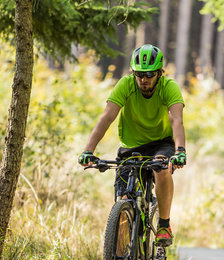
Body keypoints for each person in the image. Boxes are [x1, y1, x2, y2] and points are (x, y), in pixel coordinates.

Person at [78, 44, 187, 248]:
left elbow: (176, 121)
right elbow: (107, 117)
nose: (143, 80)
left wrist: (180, 151)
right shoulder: (126, 84)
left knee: (162, 168)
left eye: (149, 75)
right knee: (123, 206)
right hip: (131, 146)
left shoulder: (169, 87)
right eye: (139, 75)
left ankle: (164, 225)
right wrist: (88, 150)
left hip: (161, 144)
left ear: (159, 73)